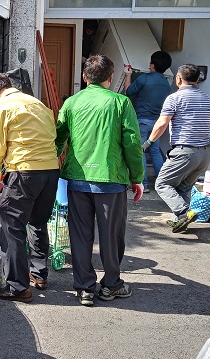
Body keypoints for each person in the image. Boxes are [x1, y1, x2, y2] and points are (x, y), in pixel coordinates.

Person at [55, 55, 144, 307]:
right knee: (111, 234)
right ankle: (111, 285)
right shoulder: (120, 102)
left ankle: (84, 287)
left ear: (85, 77)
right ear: (110, 77)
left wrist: (52, 168)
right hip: (110, 178)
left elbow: (59, 138)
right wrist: (137, 177)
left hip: (77, 178)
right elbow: (132, 143)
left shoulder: (71, 103)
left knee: (80, 234)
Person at [0, 73, 59, 304]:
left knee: (11, 225)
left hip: (24, 171)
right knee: (38, 221)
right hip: (50, 170)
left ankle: (17, 287)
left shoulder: (0, 108)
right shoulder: (37, 103)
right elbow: (52, 135)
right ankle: (39, 274)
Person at [147, 64, 210, 234]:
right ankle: (181, 221)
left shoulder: (174, 99)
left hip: (184, 151)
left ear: (178, 79)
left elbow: (162, 123)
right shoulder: (208, 99)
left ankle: (183, 212)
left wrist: (148, 142)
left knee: (162, 183)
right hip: (205, 153)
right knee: (184, 187)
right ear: (197, 79)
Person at [124, 51, 172, 193]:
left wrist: (128, 75)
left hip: (142, 121)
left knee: (141, 151)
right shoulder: (166, 83)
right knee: (155, 151)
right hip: (157, 123)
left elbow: (128, 91)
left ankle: (143, 184)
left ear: (152, 65)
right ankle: (162, 184)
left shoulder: (144, 78)